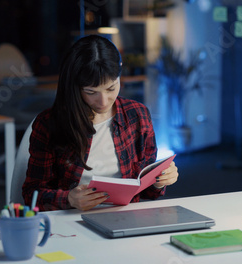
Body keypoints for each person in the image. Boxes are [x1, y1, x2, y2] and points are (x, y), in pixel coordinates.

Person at [22, 35, 178, 211]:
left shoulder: (138, 115)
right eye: (91, 92)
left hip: (125, 217)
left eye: (111, 88)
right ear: (75, 87)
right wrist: (69, 199)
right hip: (72, 220)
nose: (103, 101)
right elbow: (31, 194)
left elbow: (147, 193)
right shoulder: (50, 124)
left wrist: (160, 181)